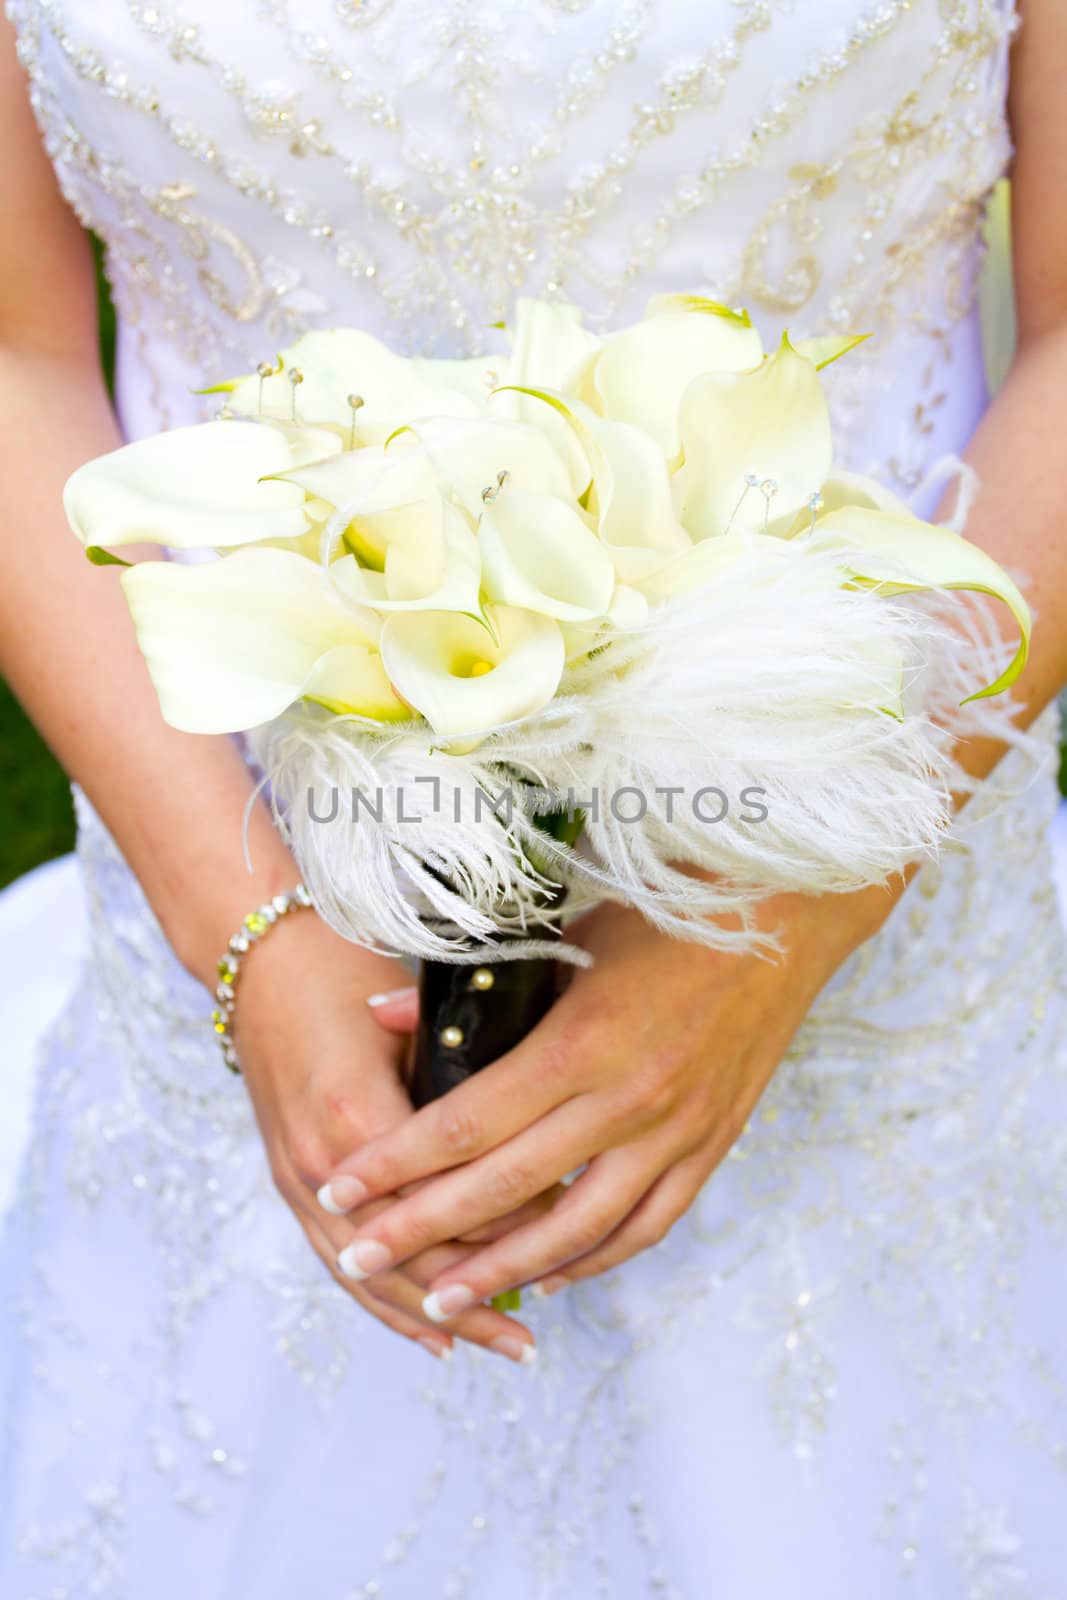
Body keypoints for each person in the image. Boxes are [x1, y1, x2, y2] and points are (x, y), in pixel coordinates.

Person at [1, 1, 1064, 1594]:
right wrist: (251, 938)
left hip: (873, 976)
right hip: (250, 945)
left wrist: (783, 913)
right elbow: (15, 357)